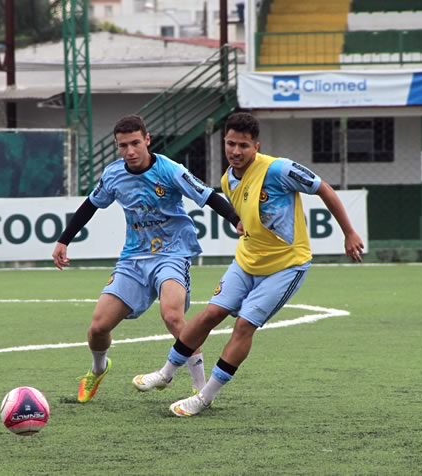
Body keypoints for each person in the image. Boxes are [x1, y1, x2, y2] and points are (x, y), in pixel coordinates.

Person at [132, 112, 364, 416]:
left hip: (285, 267)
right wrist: (242, 223)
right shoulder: (227, 179)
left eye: (243, 145)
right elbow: (246, 213)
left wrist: (348, 232)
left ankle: (204, 396)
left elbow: (323, 188)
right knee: (208, 315)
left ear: (256, 146)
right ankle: (165, 373)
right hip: (246, 261)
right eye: (230, 144)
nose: (235, 151)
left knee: (243, 326)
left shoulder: (279, 169)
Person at [51, 115, 241, 403]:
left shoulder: (170, 170)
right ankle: (98, 369)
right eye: (123, 145)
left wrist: (236, 220)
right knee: (98, 327)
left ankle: (200, 387)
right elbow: (90, 205)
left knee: (173, 315)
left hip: (172, 254)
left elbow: (208, 195)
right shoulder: (114, 175)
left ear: (147, 140)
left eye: (135, 143)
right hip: (133, 260)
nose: (130, 151)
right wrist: (64, 240)